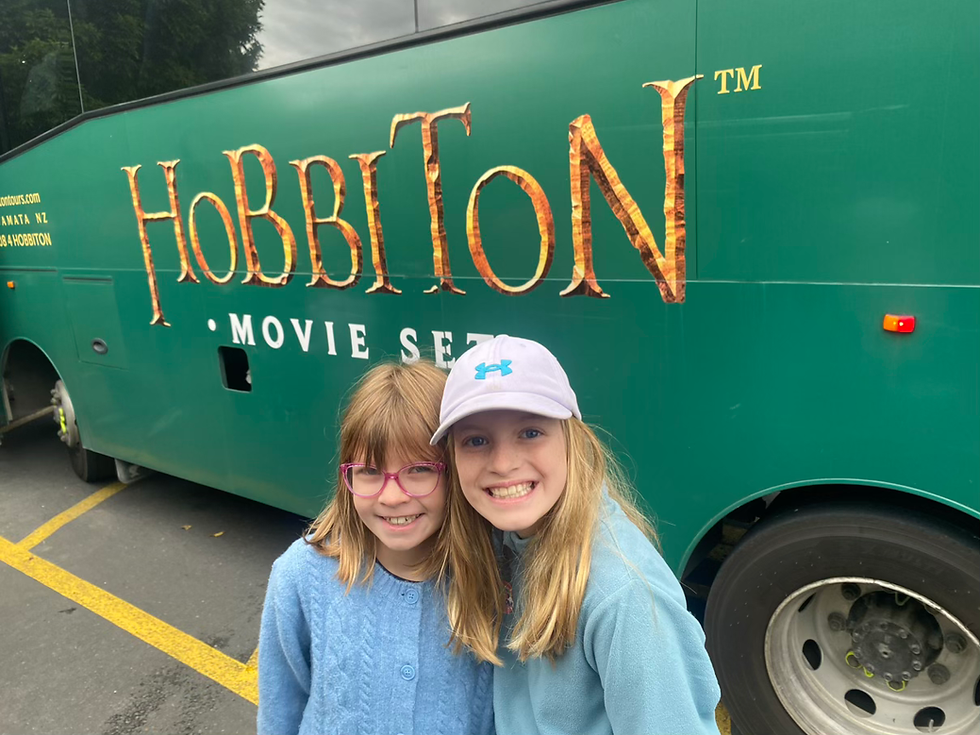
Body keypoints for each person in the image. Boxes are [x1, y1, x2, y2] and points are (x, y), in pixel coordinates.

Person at [431, 335, 721, 735]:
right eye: (476, 440)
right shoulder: (500, 541)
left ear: (573, 439)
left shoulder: (622, 596)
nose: (502, 463)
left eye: (530, 432)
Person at [257, 360, 494, 735]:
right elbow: (280, 709)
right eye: (369, 472)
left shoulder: (497, 579)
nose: (393, 497)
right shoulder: (301, 576)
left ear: (455, 470)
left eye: (420, 469)